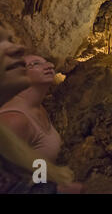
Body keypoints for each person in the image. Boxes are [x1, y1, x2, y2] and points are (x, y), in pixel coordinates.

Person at [0, 25, 74, 193]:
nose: (48, 66)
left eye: (46, 62)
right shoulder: (15, 120)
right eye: (35, 64)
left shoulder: (39, 108)